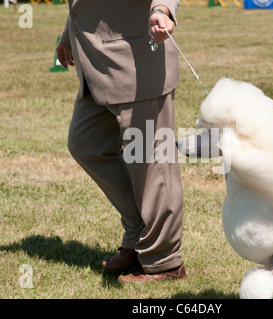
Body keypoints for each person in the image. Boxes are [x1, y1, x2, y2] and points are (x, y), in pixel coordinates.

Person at [56, 0, 185, 283]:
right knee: (86, 145)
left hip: (138, 64)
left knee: (152, 165)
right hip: (96, 67)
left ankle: (164, 262)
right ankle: (140, 232)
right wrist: (69, 34)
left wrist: (162, 11)